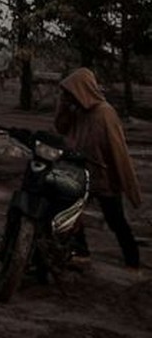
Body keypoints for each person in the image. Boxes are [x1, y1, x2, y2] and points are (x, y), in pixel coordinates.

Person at [55, 67, 142, 270]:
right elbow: (60, 128)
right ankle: (81, 251)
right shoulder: (76, 111)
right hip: (78, 173)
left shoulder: (105, 113)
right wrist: (63, 106)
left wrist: (128, 185)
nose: (68, 96)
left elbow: (118, 151)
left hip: (103, 176)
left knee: (116, 220)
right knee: (70, 213)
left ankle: (132, 260)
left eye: (70, 92)